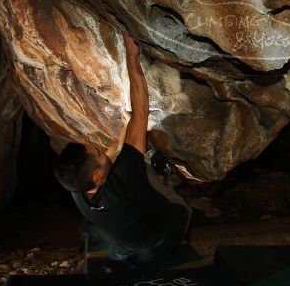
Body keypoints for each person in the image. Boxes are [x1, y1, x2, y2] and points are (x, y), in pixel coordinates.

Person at [53, 33, 191, 265]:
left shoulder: (77, 189)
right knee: (143, 167)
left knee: (123, 160)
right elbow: (142, 112)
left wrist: (126, 128)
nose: (100, 148)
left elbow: (108, 155)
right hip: (164, 235)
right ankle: (158, 166)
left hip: (129, 248)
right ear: (96, 175)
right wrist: (132, 56)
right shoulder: (126, 177)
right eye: (97, 151)